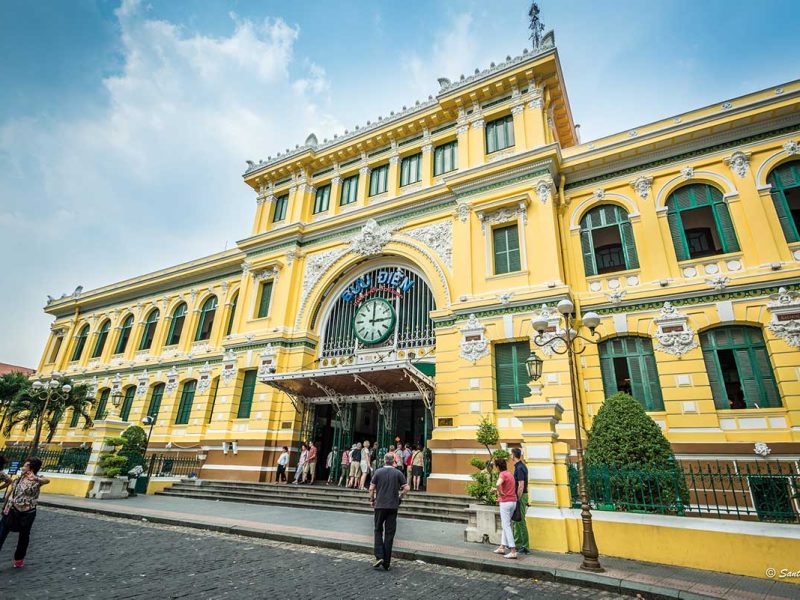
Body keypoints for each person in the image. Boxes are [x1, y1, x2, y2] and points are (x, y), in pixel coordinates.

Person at [0, 457, 50, 568]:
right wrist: (4, 506)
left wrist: (35, 479)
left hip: (27, 513)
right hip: (12, 510)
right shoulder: (18, 479)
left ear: (31, 468)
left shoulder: (37, 480)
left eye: (25, 465)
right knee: (1, 533)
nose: (23, 467)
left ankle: (19, 559)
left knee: (24, 537)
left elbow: (47, 481)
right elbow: (11, 492)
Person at [368, 453, 410, 571]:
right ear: (394, 461)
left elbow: (371, 488)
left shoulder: (378, 472)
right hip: (393, 506)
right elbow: (407, 488)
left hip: (380, 505)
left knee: (377, 529)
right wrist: (400, 497)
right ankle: (386, 562)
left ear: (384, 461)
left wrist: (372, 500)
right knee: (390, 533)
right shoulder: (398, 473)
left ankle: (379, 555)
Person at [493, 457, 517, 559]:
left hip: (505, 502)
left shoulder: (502, 474)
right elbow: (507, 487)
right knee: (506, 524)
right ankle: (502, 547)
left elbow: (498, 484)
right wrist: (498, 491)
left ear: (498, 467)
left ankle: (513, 550)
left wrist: (500, 492)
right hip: (513, 501)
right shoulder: (510, 474)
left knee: (506, 526)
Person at [510, 448, 529, 554]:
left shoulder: (520, 468)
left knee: (520, 521)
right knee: (516, 521)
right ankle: (517, 544)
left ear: (513, 455)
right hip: (520, 496)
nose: (510, 456)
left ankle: (525, 546)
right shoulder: (520, 466)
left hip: (521, 496)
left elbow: (521, 485)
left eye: (511, 454)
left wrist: (517, 498)